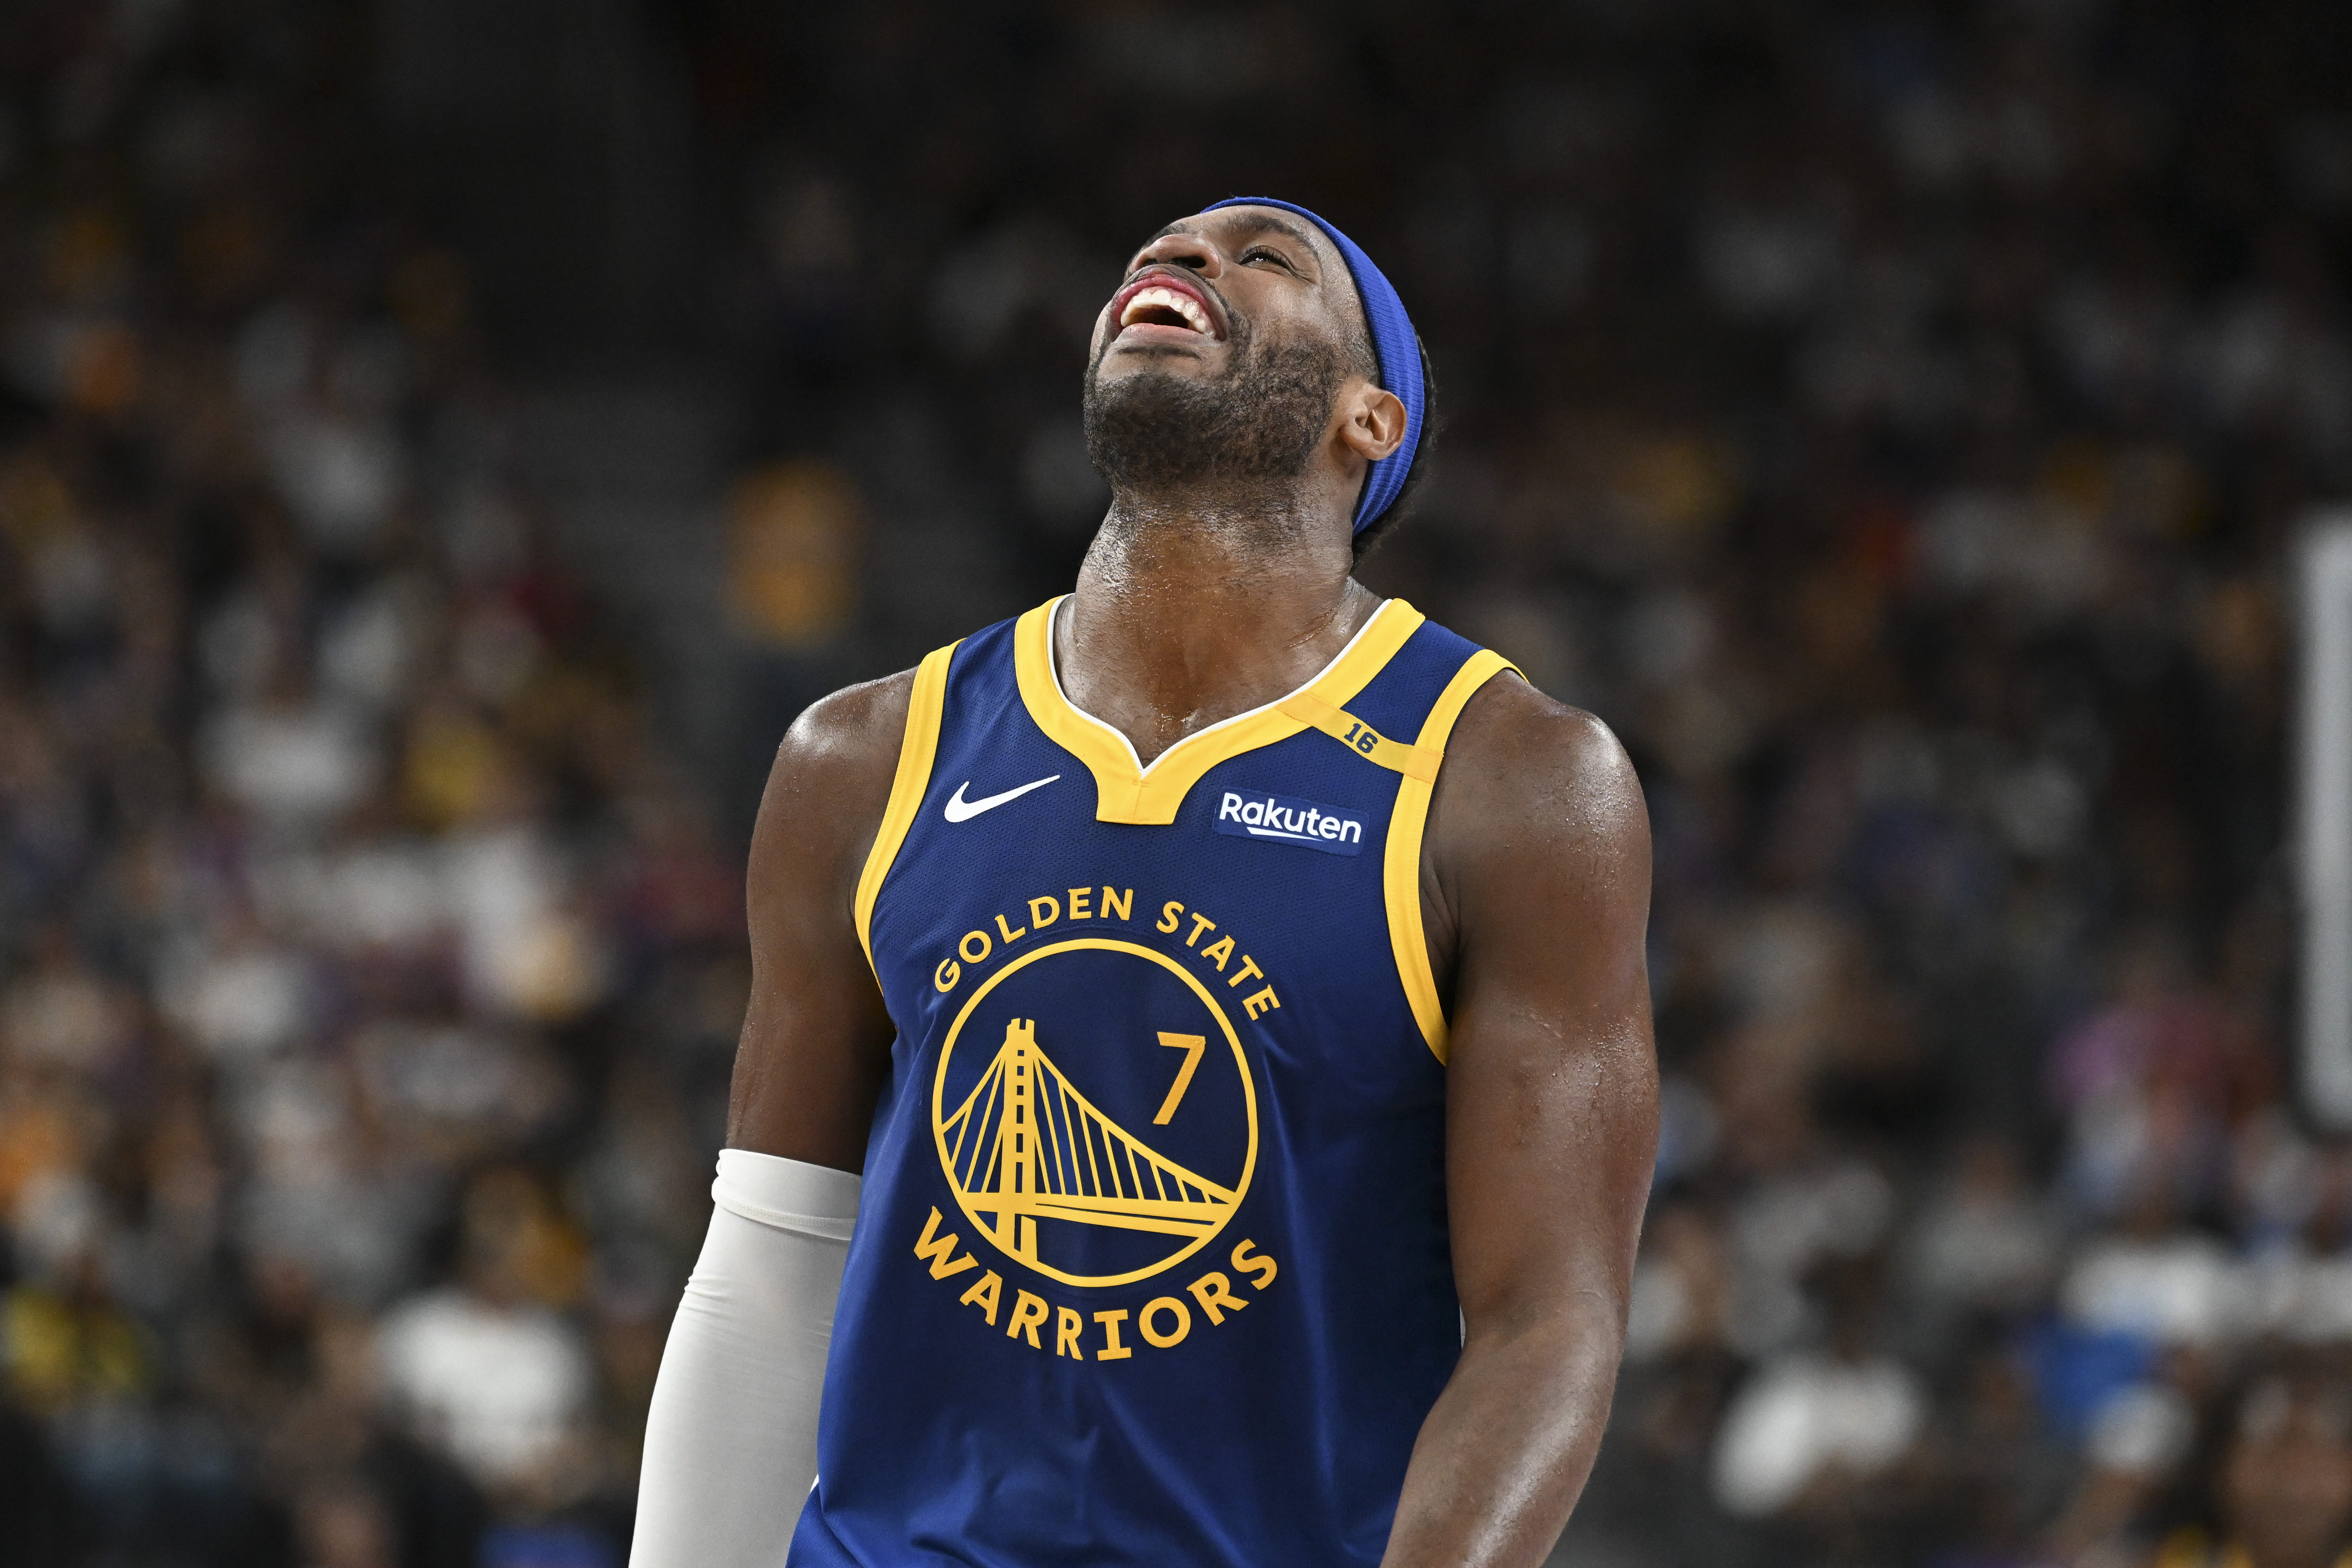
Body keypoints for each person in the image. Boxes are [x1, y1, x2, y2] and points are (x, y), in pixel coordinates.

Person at [629, 198, 1659, 1568]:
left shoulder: (1513, 777)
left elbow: (1545, 1320)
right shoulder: (864, 755)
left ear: (1373, 419)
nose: (1178, 260)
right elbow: (772, 1261)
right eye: (1160, 251)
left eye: (1266, 258)